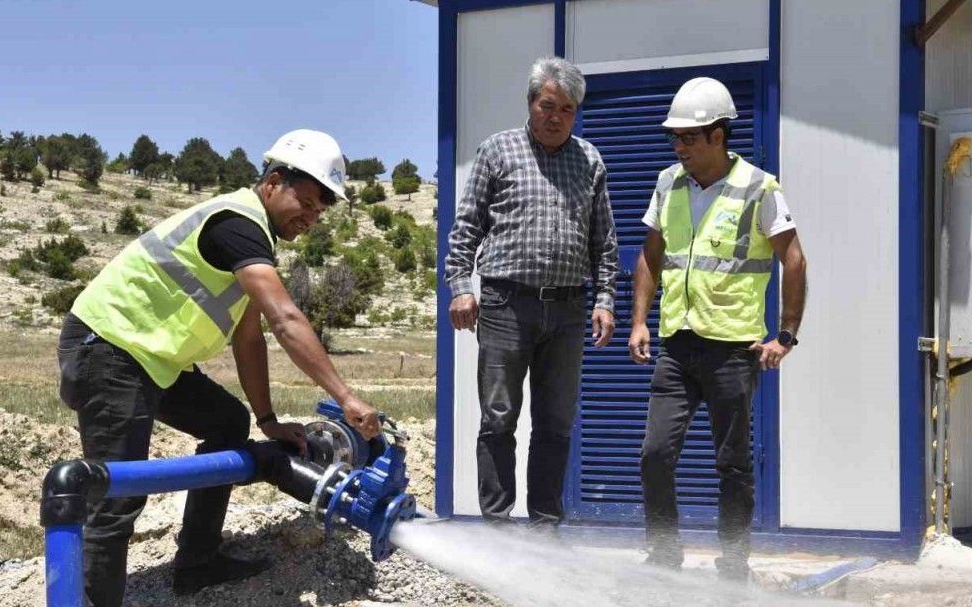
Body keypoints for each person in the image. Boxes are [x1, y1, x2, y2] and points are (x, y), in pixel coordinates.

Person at [58, 129, 381, 605]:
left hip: (151, 360)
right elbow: (285, 319)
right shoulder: (236, 224)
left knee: (228, 422)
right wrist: (346, 398)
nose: (311, 218)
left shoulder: (251, 244)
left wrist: (267, 421)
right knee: (117, 498)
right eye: (307, 202)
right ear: (274, 182)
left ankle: (198, 564)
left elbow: (249, 339)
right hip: (109, 349)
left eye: (319, 211)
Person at [628, 77, 807, 580]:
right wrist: (639, 321)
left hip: (733, 348)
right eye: (675, 138)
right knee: (654, 454)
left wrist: (785, 335)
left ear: (717, 135)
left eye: (688, 137)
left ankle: (733, 564)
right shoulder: (668, 183)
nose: (679, 146)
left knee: (732, 464)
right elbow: (650, 255)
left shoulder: (759, 187)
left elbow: (793, 260)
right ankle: (664, 556)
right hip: (677, 344)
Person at [445, 56, 619, 530]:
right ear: (530, 103)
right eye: (547, 105)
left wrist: (604, 299)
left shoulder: (590, 160)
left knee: (555, 423)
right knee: (498, 417)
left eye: (566, 109)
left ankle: (545, 528)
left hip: (567, 310)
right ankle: (498, 528)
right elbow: (465, 229)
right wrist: (461, 288)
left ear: (576, 113)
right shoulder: (497, 151)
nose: (556, 116)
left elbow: (604, 241)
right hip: (506, 306)